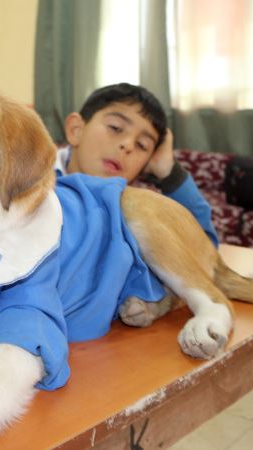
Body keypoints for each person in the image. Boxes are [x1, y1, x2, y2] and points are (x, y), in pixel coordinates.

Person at [56, 83, 219, 325]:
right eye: (115, 128)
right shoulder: (32, 182)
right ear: (76, 129)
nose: (127, 145)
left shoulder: (131, 207)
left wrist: (168, 172)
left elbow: (204, 253)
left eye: (142, 145)